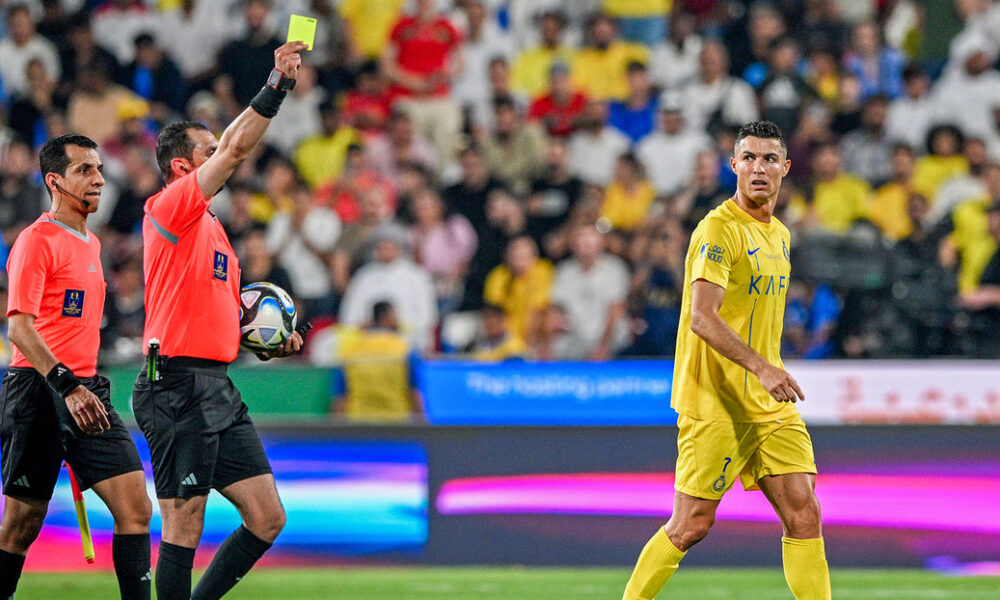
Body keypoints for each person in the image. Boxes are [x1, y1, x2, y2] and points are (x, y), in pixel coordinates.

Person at [622, 121, 831, 600]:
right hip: (716, 399)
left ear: (786, 168)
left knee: (804, 512)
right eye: (750, 158)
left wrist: (766, 369)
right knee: (691, 524)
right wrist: (762, 366)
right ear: (733, 165)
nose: (759, 168)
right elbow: (702, 318)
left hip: (768, 403)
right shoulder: (718, 229)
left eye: (769, 159)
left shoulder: (779, 234)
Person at [131, 41, 308, 600]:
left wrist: (269, 343)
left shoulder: (216, 236)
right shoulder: (169, 209)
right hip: (175, 383)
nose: (223, 155)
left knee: (267, 517)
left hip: (214, 384)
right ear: (183, 168)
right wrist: (276, 84)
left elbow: (230, 322)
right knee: (184, 525)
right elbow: (233, 149)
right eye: (206, 151)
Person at [0, 134, 152, 600]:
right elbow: (20, 329)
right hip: (41, 390)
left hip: (89, 391)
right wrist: (66, 385)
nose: (99, 179)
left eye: (100, 169)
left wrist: (79, 386)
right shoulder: (36, 240)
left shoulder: (92, 244)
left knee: (136, 509)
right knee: (20, 529)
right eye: (84, 170)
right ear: (55, 181)